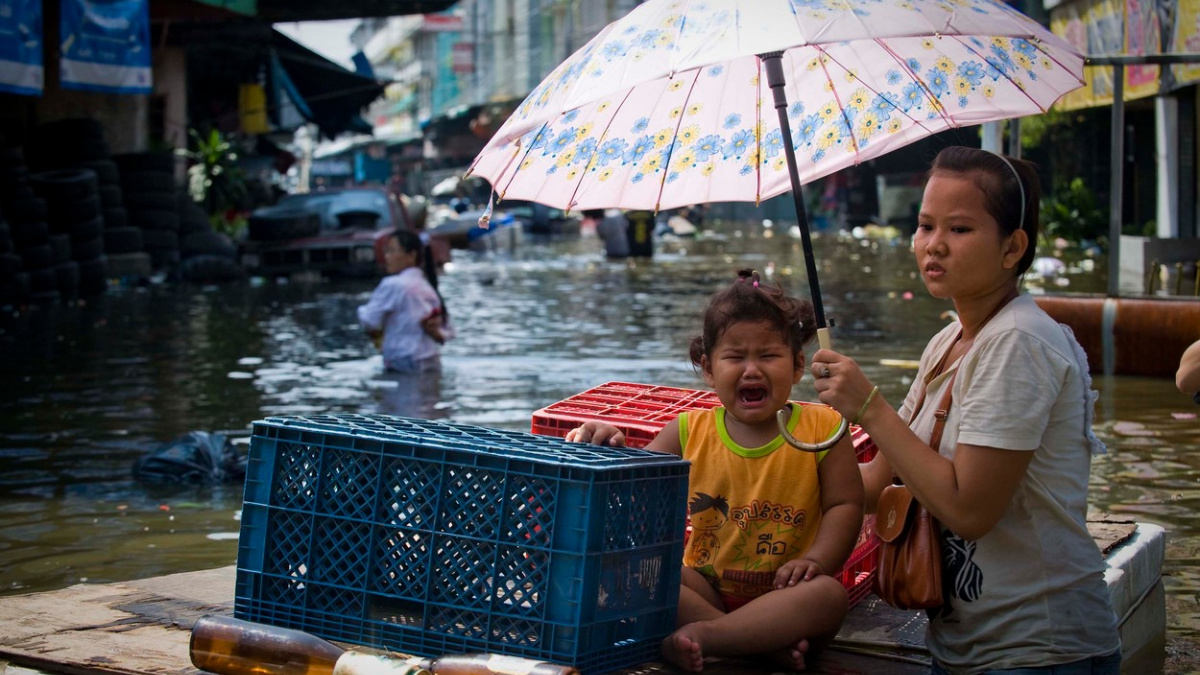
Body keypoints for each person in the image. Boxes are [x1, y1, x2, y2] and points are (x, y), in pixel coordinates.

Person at [809, 146, 1121, 673]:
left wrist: (868, 405)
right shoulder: (948, 341)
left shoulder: (1018, 343)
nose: (933, 245)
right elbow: (874, 485)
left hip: (1037, 650)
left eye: (958, 229)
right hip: (962, 647)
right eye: (925, 225)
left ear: (1012, 247)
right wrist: (761, 465)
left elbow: (970, 512)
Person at [567, 269, 863, 673]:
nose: (752, 369)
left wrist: (817, 560)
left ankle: (717, 638)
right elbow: (632, 480)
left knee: (829, 595)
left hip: (788, 598)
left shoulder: (824, 429)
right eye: (735, 357)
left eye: (768, 355)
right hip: (705, 591)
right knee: (640, 573)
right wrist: (610, 441)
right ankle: (754, 644)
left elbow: (846, 504)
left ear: (797, 366)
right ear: (708, 368)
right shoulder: (687, 431)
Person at [357, 229, 452, 373]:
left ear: (411, 255)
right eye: (386, 252)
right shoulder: (427, 287)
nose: (387, 257)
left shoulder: (393, 285)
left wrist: (361, 311)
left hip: (403, 359)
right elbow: (447, 332)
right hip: (430, 357)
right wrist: (435, 333)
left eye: (392, 251)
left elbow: (369, 320)